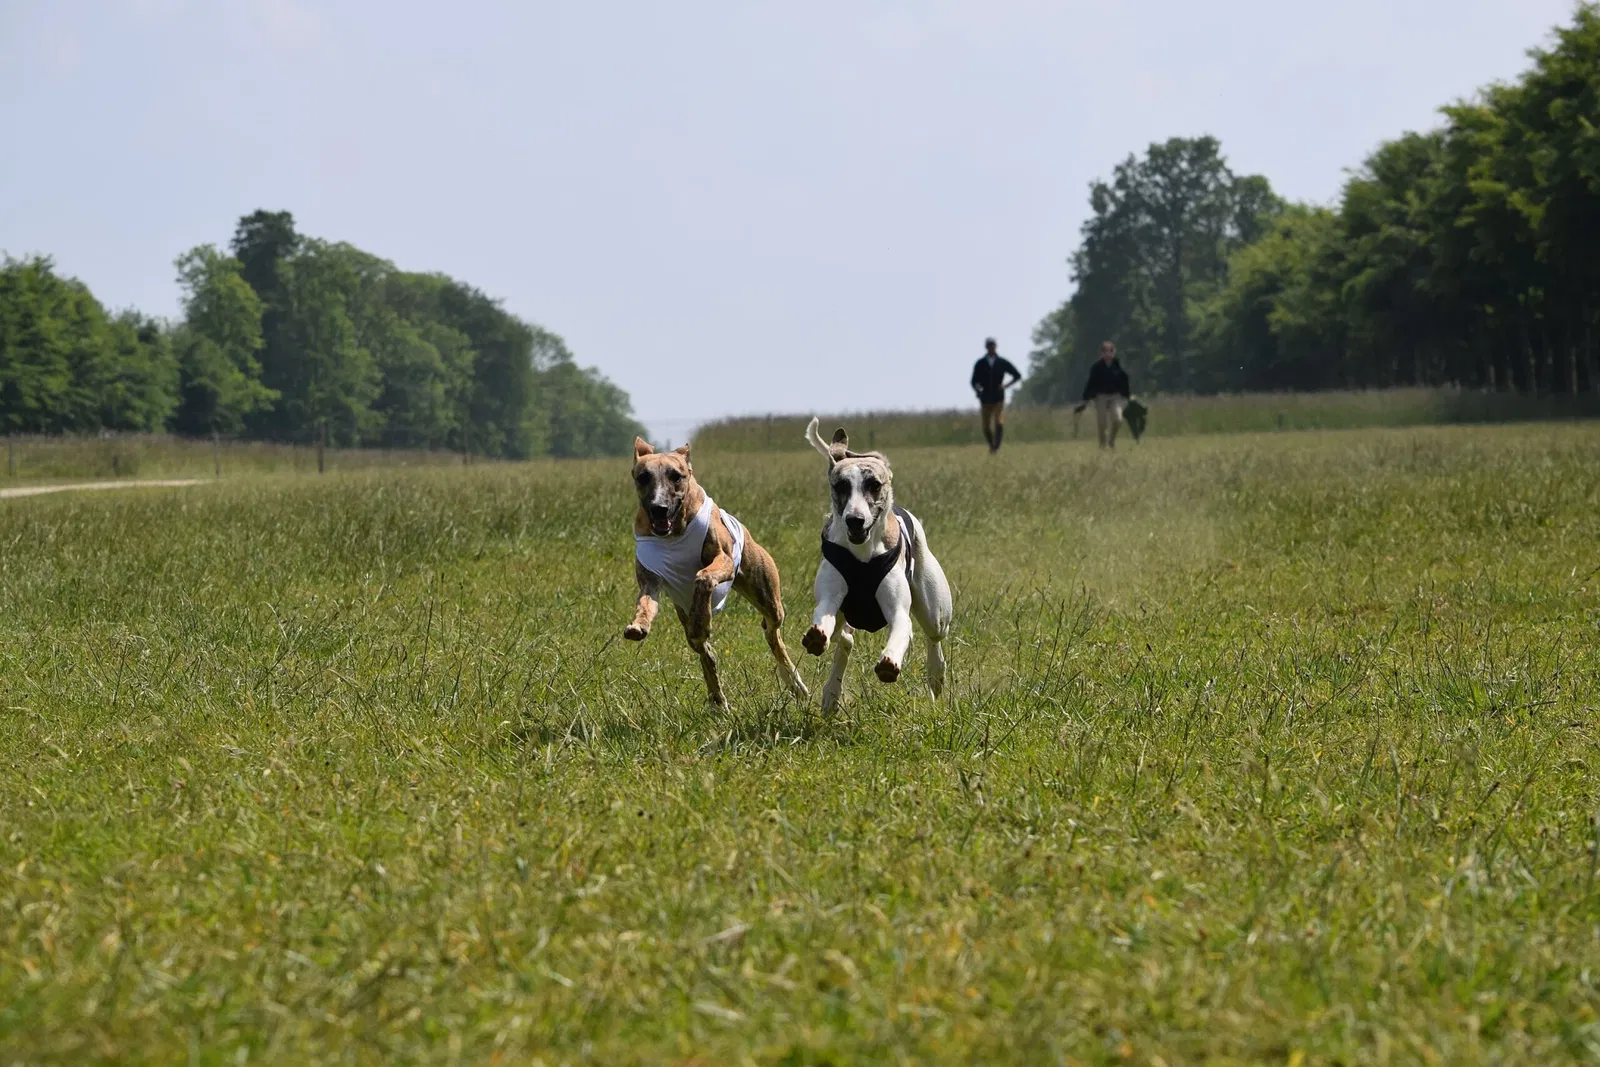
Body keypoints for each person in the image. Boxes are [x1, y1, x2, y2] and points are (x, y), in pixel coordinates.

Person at [970, 338, 1022, 453]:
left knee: (999, 422)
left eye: (993, 346)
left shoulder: (1002, 362)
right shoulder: (980, 363)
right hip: (985, 398)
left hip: (998, 397)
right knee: (986, 426)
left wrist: (1006, 386)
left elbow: (1017, 375)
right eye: (989, 346)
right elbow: (973, 381)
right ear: (986, 347)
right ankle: (991, 445)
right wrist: (978, 390)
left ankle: (996, 446)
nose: (991, 348)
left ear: (996, 346)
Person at [1080, 340, 1131, 449]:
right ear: (1102, 353)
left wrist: (1127, 396)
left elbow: (1125, 380)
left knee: (1118, 419)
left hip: (1115, 396)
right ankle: (1102, 446)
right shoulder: (1096, 367)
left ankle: (1111, 441)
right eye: (1105, 351)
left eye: (1110, 351)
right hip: (1100, 396)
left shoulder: (1118, 365)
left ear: (1113, 352)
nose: (1108, 354)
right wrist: (1086, 399)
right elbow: (1090, 383)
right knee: (1102, 423)